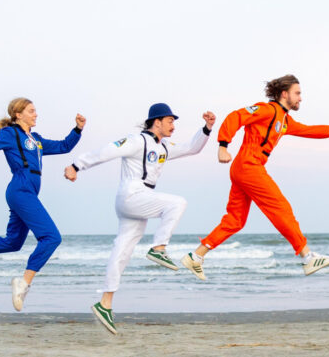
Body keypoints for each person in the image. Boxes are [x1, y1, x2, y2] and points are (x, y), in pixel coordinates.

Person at [180, 74, 329, 279]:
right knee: (280, 208)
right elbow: (235, 117)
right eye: (297, 93)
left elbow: (308, 130)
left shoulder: (284, 119)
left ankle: (196, 256)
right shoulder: (266, 110)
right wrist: (222, 146)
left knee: (236, 220)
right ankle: (307, 257)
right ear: (284, 94)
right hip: (249, 165)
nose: (301, 98)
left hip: (246, 168)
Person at [64, 104, 216, 335]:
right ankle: (158, 247)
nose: (173, 126)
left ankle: (105, 303)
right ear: (157, 122)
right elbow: (107, 151)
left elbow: (191, 148)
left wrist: (207, 128)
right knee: (177, 203)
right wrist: (77, 165)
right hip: (132, 194)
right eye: (170, 121)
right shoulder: (136, 141)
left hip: (140, 200)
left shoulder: (163, 146)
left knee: (122, 250)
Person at [0, 97, 84, 311]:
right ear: (18, 114)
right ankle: (24, 283)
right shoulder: (10, 134)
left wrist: (77, 129)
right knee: (52, 237)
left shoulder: (36, 139)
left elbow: (64, 146)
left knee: (13, 242)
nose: (36, 114)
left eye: (35, 110)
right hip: (20, 190)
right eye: (31, 111)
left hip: (28, 192)